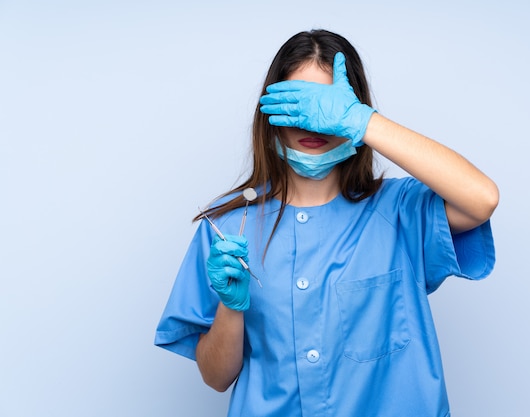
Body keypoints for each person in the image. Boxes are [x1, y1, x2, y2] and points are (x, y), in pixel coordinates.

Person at [155, 29, 498, 417]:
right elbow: (216, 377)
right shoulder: (228, 227)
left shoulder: (401, 210)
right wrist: (232, 308)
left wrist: (361, 121)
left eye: (326, 105)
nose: (312, 123)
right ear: (270, 112)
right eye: (297, 103)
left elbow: (481, 199)